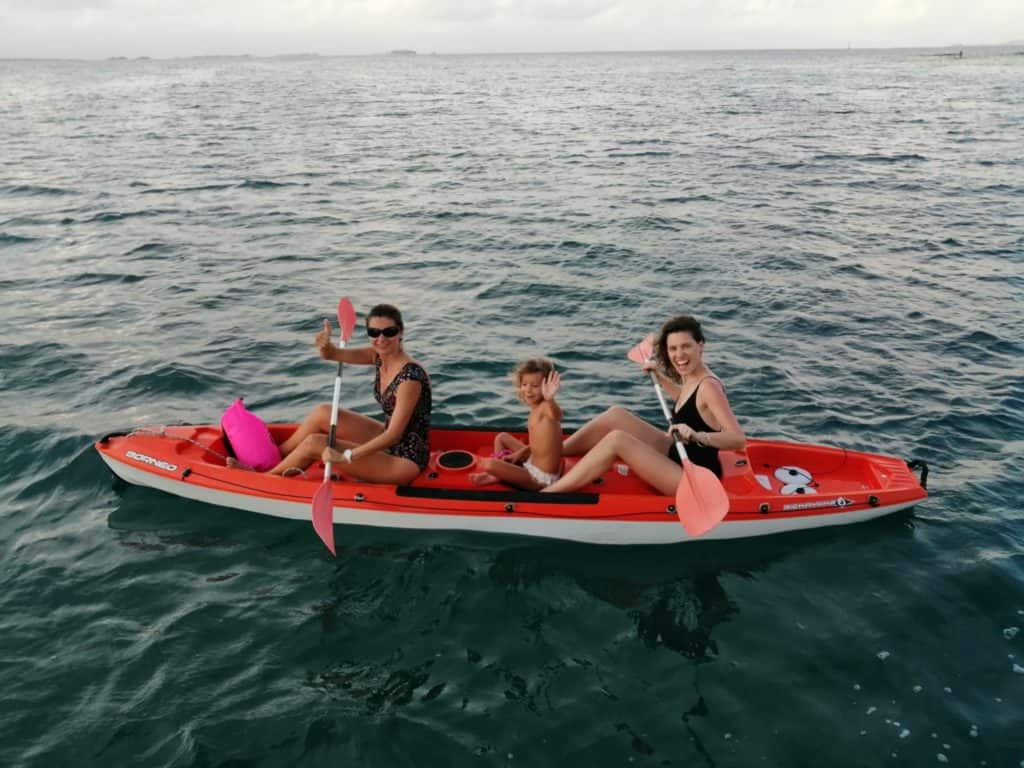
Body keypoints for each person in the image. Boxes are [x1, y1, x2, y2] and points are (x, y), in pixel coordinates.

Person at [543, 315, 745, 495]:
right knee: (616, 415)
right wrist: (660, 376)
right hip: (677, 451)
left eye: (686, 346)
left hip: (694, 477)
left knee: (617, 440)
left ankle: (548, 495)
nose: (679, 355)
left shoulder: (709, 386)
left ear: (701, 345)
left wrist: (695, 435)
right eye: (673, 348)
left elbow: (737, 439)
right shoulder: (692, 374)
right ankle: (553, 454)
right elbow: (690, 403)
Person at [264, 303, 432, 484]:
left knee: (315, 443)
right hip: (389, 439)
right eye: (374, 333)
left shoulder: (410, 379)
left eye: (389, 332)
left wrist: (346, 456)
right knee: (323, 412)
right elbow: (333, 354)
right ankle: (273, 458)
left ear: (400, 332)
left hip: (406, 459)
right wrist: (325, 346)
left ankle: (262, 480)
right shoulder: (377, 356)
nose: (381, 339)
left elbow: (393, 436)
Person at [469, 358, 563, 490]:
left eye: (535, 386)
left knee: (489, 464)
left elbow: (557, 416)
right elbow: (539, 445)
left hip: (540, 478)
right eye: (525, 384)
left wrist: (550, 398)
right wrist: (517, 454)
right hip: (533, 462)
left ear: (546, 386)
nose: (528, 390)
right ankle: (503, 469)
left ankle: (499, 474)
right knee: (502, 437)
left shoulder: (546, 406)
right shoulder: (536, 408)